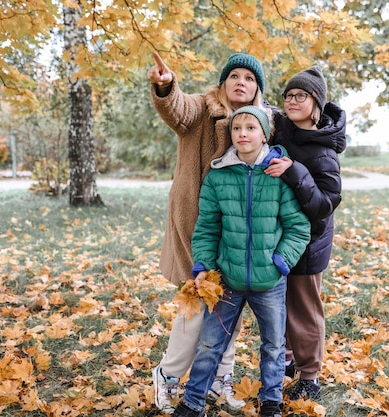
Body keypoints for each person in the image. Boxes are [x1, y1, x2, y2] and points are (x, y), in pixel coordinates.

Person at [147, 51, 268, 413]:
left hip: (237, 231)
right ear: (223, 82)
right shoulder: (201, 108)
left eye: (249, 78)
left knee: (229, 305)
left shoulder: (259, 120)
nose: (241, 83)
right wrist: (166, 86)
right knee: (198, 302)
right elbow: (176, 109)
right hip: (197, 222)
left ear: (257, 87)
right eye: (235, 76)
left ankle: (219, 379)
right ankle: (167, 376)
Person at [171, 106, 311, 417]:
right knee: (209, 345)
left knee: (274, 346)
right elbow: (207, 227)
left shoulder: (278, 173)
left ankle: (271, 402)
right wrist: (203, 266)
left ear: (264, 134)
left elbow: (299, 227)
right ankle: (193, 403)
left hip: (270, 281)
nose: (243, 134)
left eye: (250, 128)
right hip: (228, 280)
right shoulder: (218, 176)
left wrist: (280, 261)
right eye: (237, 129)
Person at [264, 65, 347, 401]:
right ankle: (286, 361)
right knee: (279, 305)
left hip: (309, 242)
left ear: (316, 103)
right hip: (279, 237)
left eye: (300, 95)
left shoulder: (325, 152)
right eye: (288, 96)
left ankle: (310, 374)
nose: (291, 101)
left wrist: (293, 171)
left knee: (304, 309)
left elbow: (325, 203)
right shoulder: (281, 128)